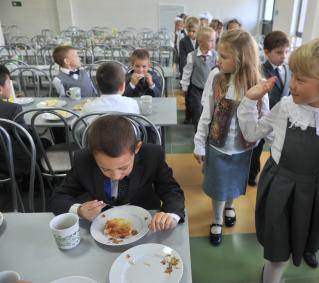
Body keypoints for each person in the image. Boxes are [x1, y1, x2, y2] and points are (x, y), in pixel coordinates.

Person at [237, 35, 319, 283]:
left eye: (300, 79)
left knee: (301, 240)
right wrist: (251, 99)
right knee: (277, 253)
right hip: (278, 186)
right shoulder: (286, 107)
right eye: (291, 75)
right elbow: (251, 134)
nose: (291, 84)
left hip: (312, 194)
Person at [194, 29, 268, 246]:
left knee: (233, 183)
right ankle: (217, 219)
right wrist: (199, 143)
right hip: (217, 146)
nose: (218, 59)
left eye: (224, 56)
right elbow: (206, 113)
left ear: (241, 59)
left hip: (243, 148)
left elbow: (265, 118)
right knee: (217, 186)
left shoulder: (258, 82)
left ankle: (229, 207)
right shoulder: (216, 78)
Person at [50, 114, 185, 231]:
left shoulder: (152, 155)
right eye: (105, 169)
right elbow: (59, 197)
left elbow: (171, 190)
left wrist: (171, 214)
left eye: (123, 168)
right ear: (93, 155)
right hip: (102, 224)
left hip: (147, 222)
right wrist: (79, 210)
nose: (115, 176)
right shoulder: (83, 160)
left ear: (137, 148)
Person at [248, 30, 292, 187]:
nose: (284, 56)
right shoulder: (260, 70)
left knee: (278, 145)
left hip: (282, 117)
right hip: (264, 116)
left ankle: (276, 173)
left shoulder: (288, 70)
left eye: (287, 51)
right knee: (257, 147)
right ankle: (251, 173)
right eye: (279, 52)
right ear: (267, 52)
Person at [180, 27, 217, 130]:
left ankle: (208, 132)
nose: (213, 43)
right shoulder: (192, 56)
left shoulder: (215, 55)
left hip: (211, 89)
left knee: (210, 111)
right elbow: (187, 72)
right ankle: (198, 132)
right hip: (196, 89)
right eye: (211, 41)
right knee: (197, 111)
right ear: (200, 42)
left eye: (214, 40)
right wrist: (184, 87)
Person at [179, 16, 200, 124]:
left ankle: (196, 115)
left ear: (198, 30)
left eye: (193, 31)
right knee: (187, 96)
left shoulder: (201, 41)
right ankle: (188, 116)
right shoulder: (183, 41)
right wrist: (183, 77)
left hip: (198, 73)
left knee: (196, 98)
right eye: (189, 31)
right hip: (187, 72)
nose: (191, 33)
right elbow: (182, 59)